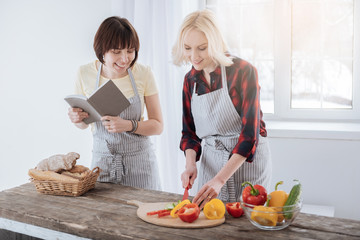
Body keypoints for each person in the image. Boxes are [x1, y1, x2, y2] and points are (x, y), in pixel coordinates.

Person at [172, 9, 272, 208]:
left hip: (246, 164)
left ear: (216, 43)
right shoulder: (189, 81)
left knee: (248, 225)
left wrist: (220, 179)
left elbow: (249, 136)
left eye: (202, 48)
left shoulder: (244, 72)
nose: (194, 56)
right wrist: (190, 164)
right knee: (211, 222)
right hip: (212, 162)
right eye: (187, 48)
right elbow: (189, 134)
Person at [68, 16, 163, 190]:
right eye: (116, 51)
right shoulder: (84, 73)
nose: (125, 59)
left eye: (130, 50)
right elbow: (83, 125)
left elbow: (158, 126)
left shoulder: (144, 73)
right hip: (102, 165)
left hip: (140, 165)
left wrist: (128, 125)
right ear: (102, 50)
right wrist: (76, 118)